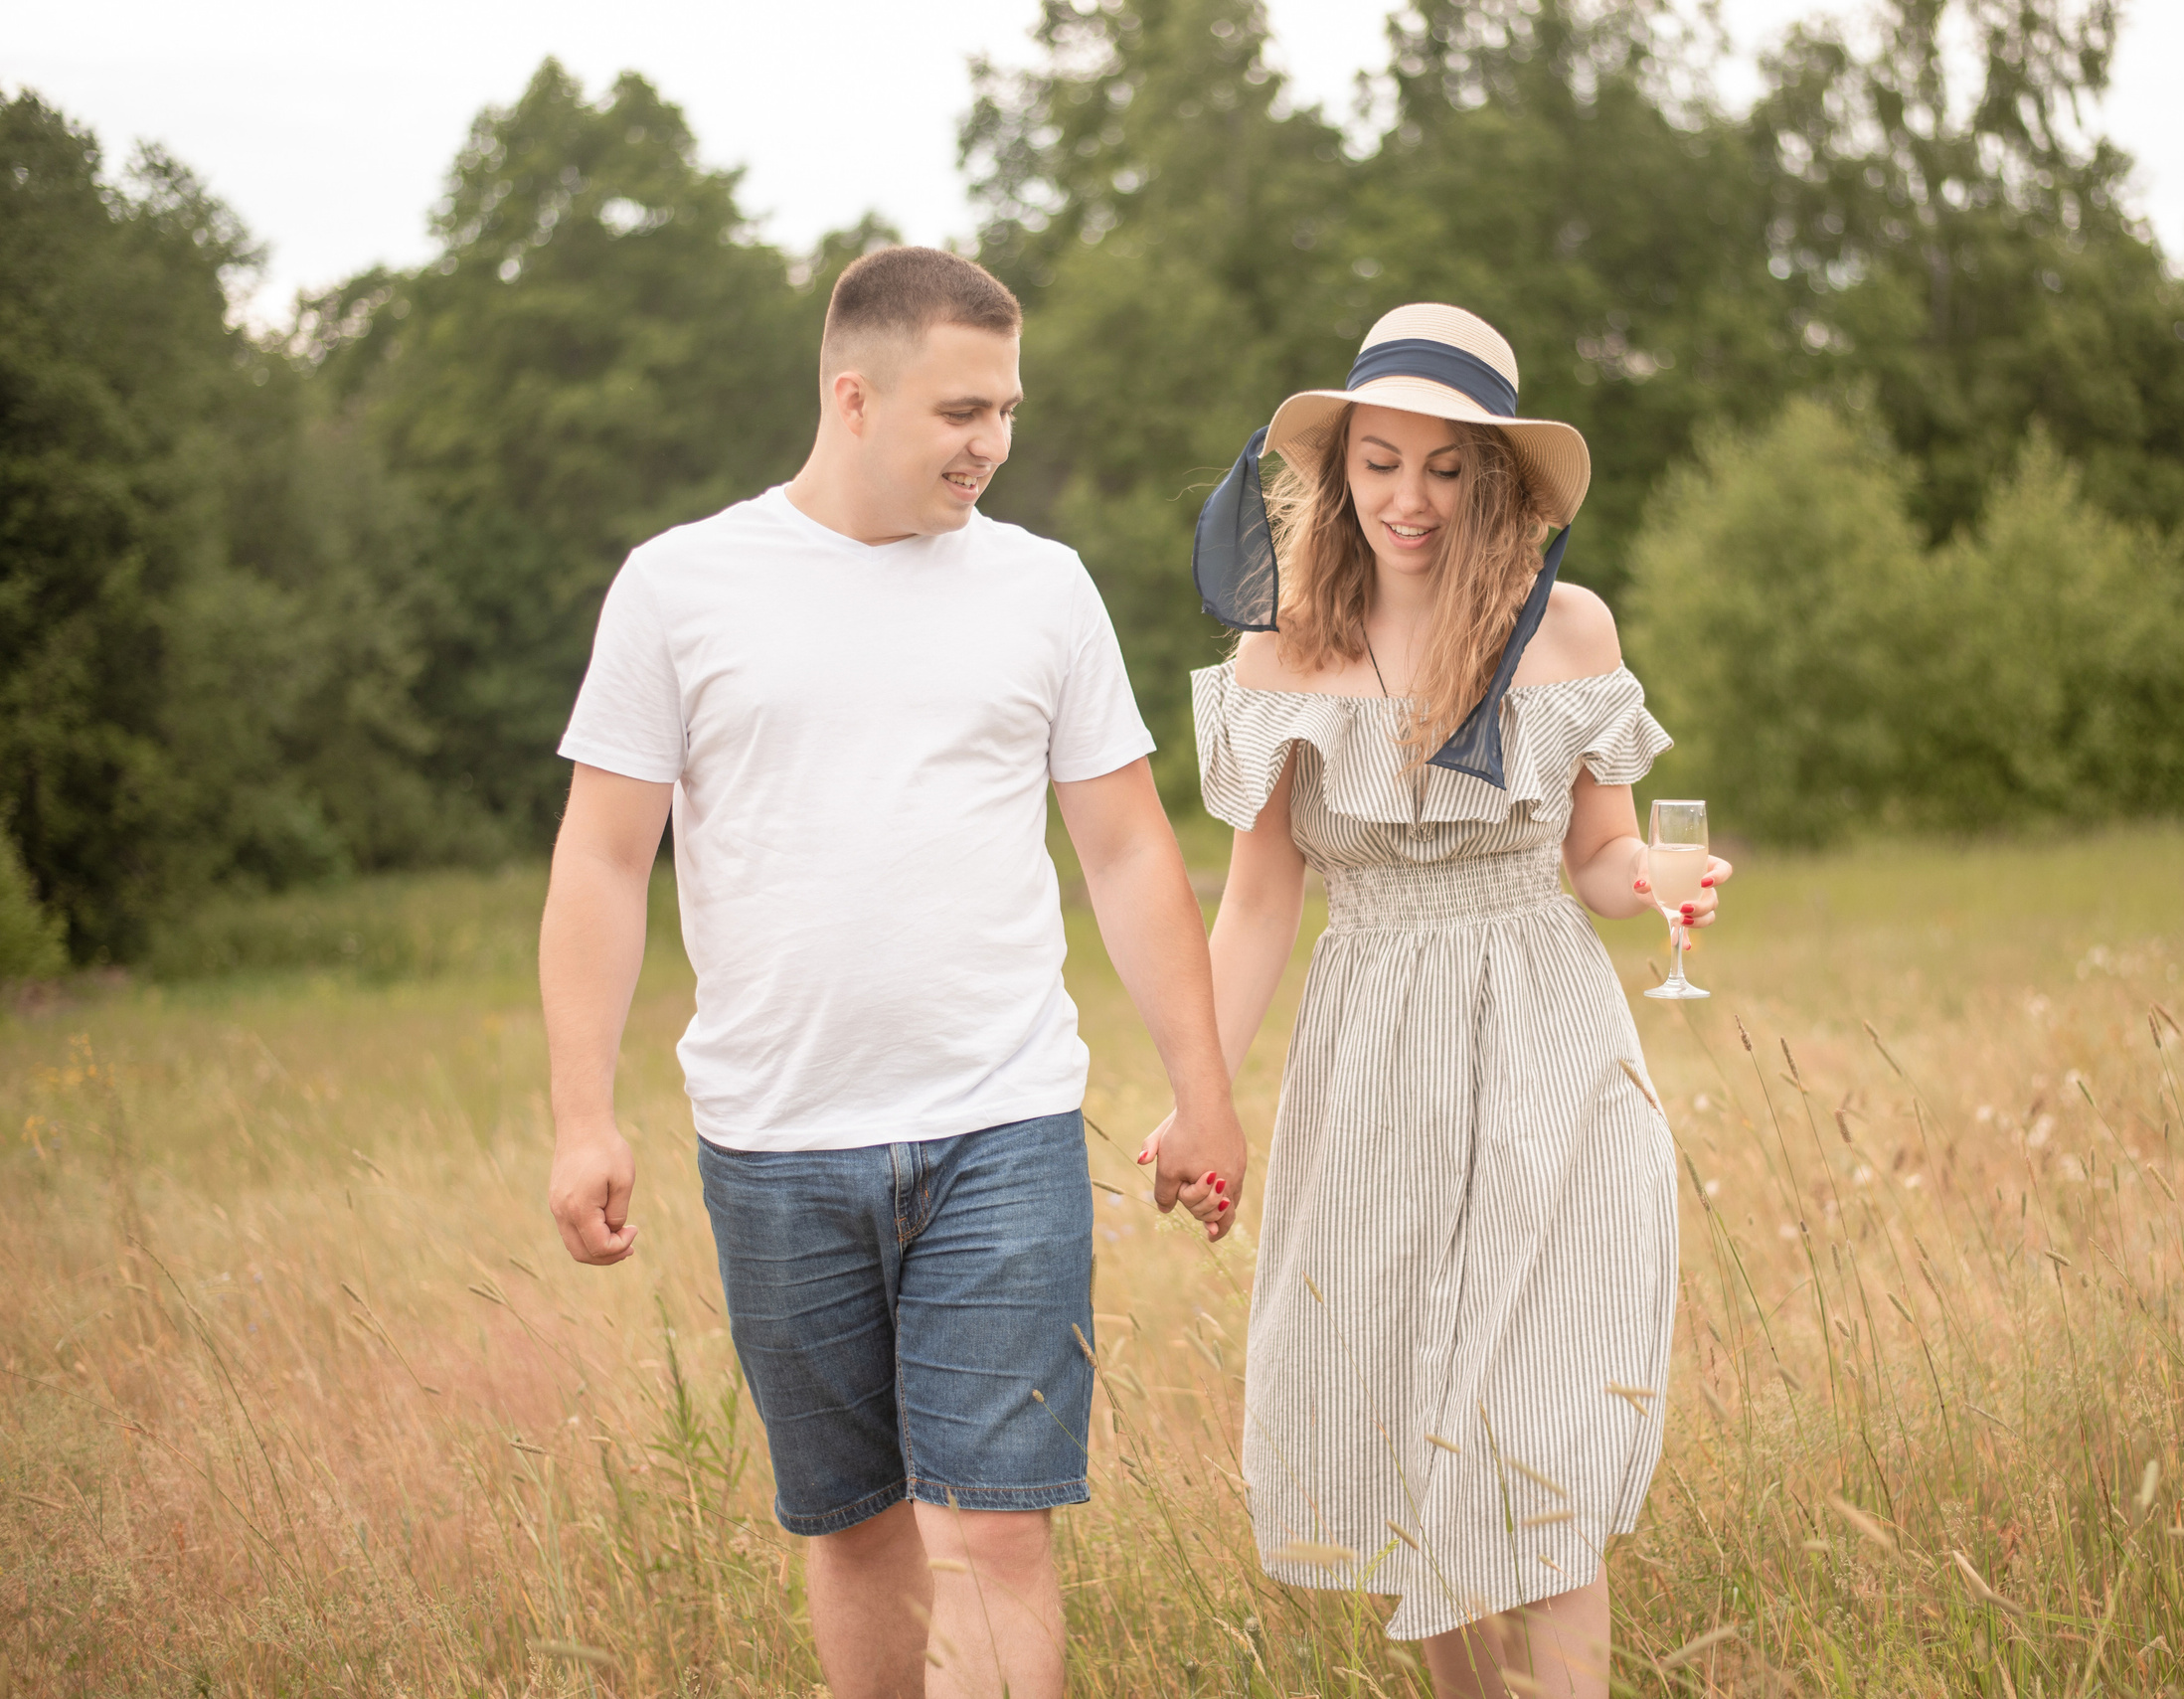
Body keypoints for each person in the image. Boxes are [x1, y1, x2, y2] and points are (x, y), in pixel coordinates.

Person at [538, 246, 1245, 1699]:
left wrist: (1204, 1090)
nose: (992, 443)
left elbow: (1124, 850)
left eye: (1007, 410)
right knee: (857, 1533)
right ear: (852, 396)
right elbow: (605, 861)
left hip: (1004, 1126)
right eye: (960, 411)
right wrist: (580, 1113)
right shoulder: (680, 588)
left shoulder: (1042, 589)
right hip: (775, 1142)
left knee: (997, 1534)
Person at [1151, 303, 1732, 1697]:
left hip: (1551, 1048)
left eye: (1445, 466)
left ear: (1497, 477)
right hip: (1376, 1072)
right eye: (1380, 462)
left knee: (1535, 1433)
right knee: (1421, 1436)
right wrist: (1198, 1094)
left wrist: (1650, 866)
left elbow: (1597, 854)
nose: (1409, 499)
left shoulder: (1567, 630)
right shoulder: (1282, 654)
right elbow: (1259, 902)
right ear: (1339, 471)